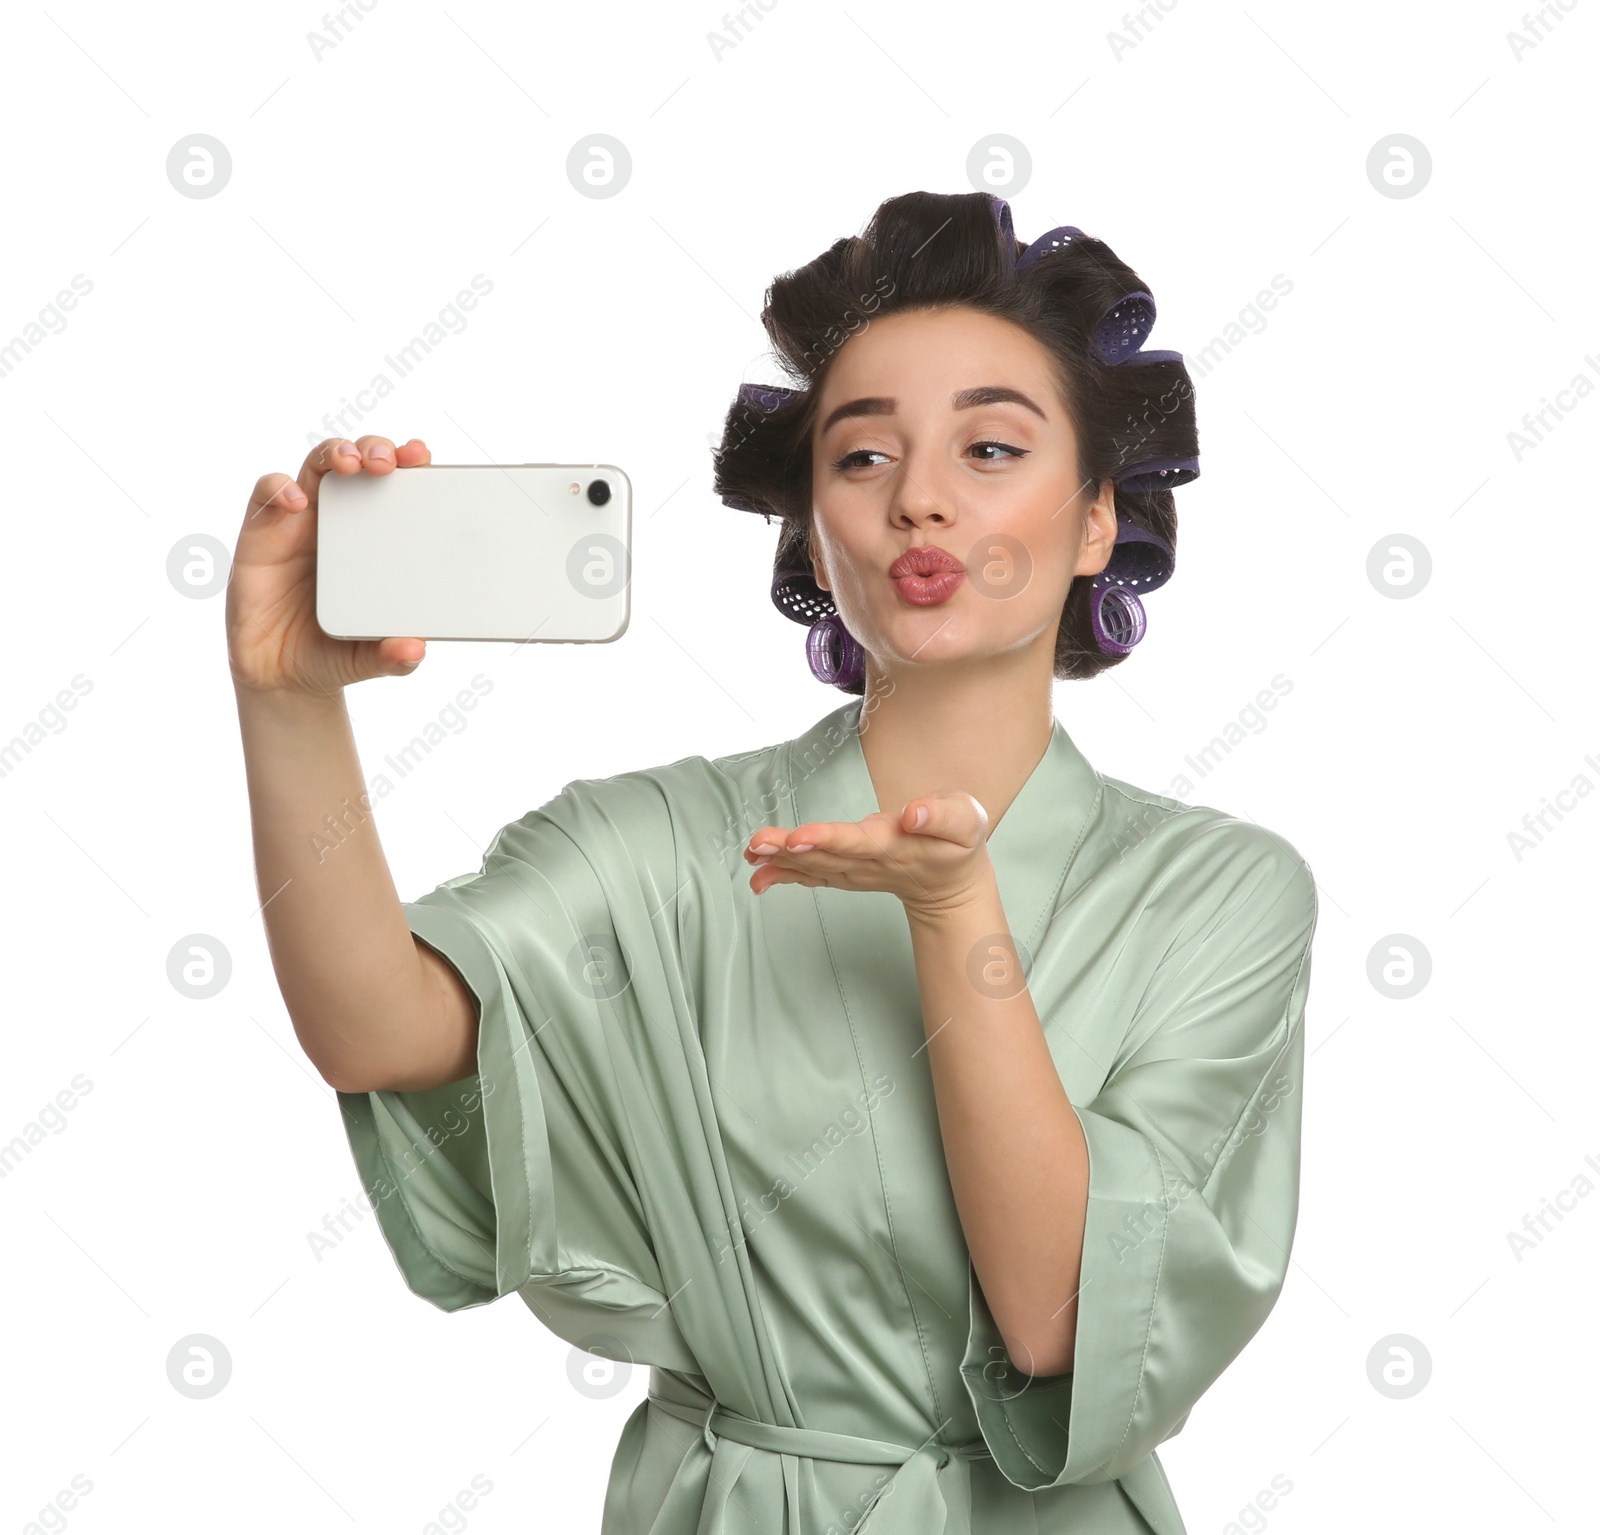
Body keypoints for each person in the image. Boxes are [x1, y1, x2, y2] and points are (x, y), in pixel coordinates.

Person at [228, 189, 1318, 1534]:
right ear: (809, 529)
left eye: (990, 448)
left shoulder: (1220, 893)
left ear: (1098, 518)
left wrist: (951, 917)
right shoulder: (657, 847)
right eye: (862, 460)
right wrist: (289, 705)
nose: (920, 499)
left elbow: (1056, 1321)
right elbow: (376, 1027)